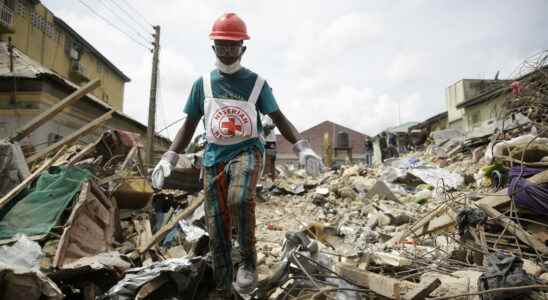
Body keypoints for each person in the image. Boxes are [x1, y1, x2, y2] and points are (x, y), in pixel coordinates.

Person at [150, 13, 323, 299]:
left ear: (243, 47)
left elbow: (279, 118)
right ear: (213, 47)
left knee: (240, 197)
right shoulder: (202, 85)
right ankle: (223, 287)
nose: (228, 50)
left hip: (247, 151)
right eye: (222, 44)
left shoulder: (256, 83)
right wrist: (169, 157)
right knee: (217, 224)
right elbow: (189, 125)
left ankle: (248, 262)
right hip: (213, 158)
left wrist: (301, 146)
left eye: (234, 44)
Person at [261, 114, 277, 179]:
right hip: (263, 141)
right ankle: (264, 178)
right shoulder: (260, 115)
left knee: (271, 160)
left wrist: (267, 127)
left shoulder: (269, 115)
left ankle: (271, 179)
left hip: (270, 141)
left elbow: (273, 125)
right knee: (264, 161)